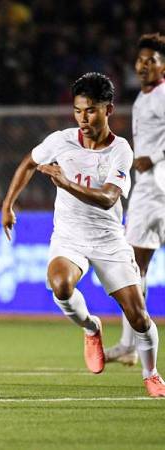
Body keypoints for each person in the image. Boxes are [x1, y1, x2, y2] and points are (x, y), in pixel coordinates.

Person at [1, 72, 165, 397]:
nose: (83, 118)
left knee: (139, 317)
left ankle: (151, 374)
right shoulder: (61, 140)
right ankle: (92, 328)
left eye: (90, 110)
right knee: (60, 285)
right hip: (69, 237)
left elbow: (108, 199)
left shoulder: (121, 151)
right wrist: (8, 204)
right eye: (78, 111)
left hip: (109, 241)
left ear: (108, 109)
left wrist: (66, 184)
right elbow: (29, 162)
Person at [105, 33, 165, 366]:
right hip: (149, 187)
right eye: (141, 60)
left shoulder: (162, 95)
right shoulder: (144, 98)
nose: (144, 65)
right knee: (135, 265)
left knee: (132, 264)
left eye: (151, 60)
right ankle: (130, 341)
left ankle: (131, 342)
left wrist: (154, 157)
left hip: (157, 185)